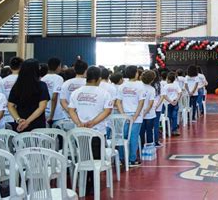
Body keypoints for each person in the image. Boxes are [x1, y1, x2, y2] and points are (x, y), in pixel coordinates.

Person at [67, 65, 113, 196]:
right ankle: (92, 184)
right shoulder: (104, 93)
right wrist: (92, 123)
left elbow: (71, 109)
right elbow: (107, 110)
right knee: (96, 160)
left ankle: (84, 184)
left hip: (80, 133)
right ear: (99, 79)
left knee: (83, 158)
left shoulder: (76, 92)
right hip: (97, 132)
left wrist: (79, 123)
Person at [8, 59, 50, 132]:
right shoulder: (41, 85)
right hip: (37, 124)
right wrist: (27, 122)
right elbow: (42, 107)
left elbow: (10, 105)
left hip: (20, 124)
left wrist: (19, 120)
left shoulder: (17, 86)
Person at [116, 65, 145, 166]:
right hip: (136, 117)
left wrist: (123, 114)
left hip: (124, 116)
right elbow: (141, 102)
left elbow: (118, 102)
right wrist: (135, 116)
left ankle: (121, 158)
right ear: (136, 73)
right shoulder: (141, 86)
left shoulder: (122, 86)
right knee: (133, 137)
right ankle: (132, 159)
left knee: (122, 137)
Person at [41, 57, 65, 126]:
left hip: (44, 111)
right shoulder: (58, 78)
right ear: (58, 67)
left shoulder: (43, 78)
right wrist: (52, 115)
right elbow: (54, 97)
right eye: (60, 66)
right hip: (55, 113)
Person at [2, 56, 23, 125]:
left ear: (10, 67)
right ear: (22, 67)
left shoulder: (3, 81)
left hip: (5, 115)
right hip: (19, 116)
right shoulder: (24, 81)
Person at [161, 72, 182, 136]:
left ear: (168, 79)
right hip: (175, 102)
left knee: (168, 116)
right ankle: (174, 130)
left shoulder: (165, 86)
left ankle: (167, 130)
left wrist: (170, 101)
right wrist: (176, 100)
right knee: (174, 116)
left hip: (168, 104)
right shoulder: (176, 85)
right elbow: (180, 93)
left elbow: (164, 95)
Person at [139, 70, 156, 146]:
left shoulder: (139, 87)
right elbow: (150, 104)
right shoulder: (152, 89)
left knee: (141, 132)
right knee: (149, 131)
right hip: (150, 114)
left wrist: (142, 113)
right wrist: (145, 113)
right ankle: (150, 148)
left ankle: (141, 147)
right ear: (152, 80)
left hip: (139, 114)